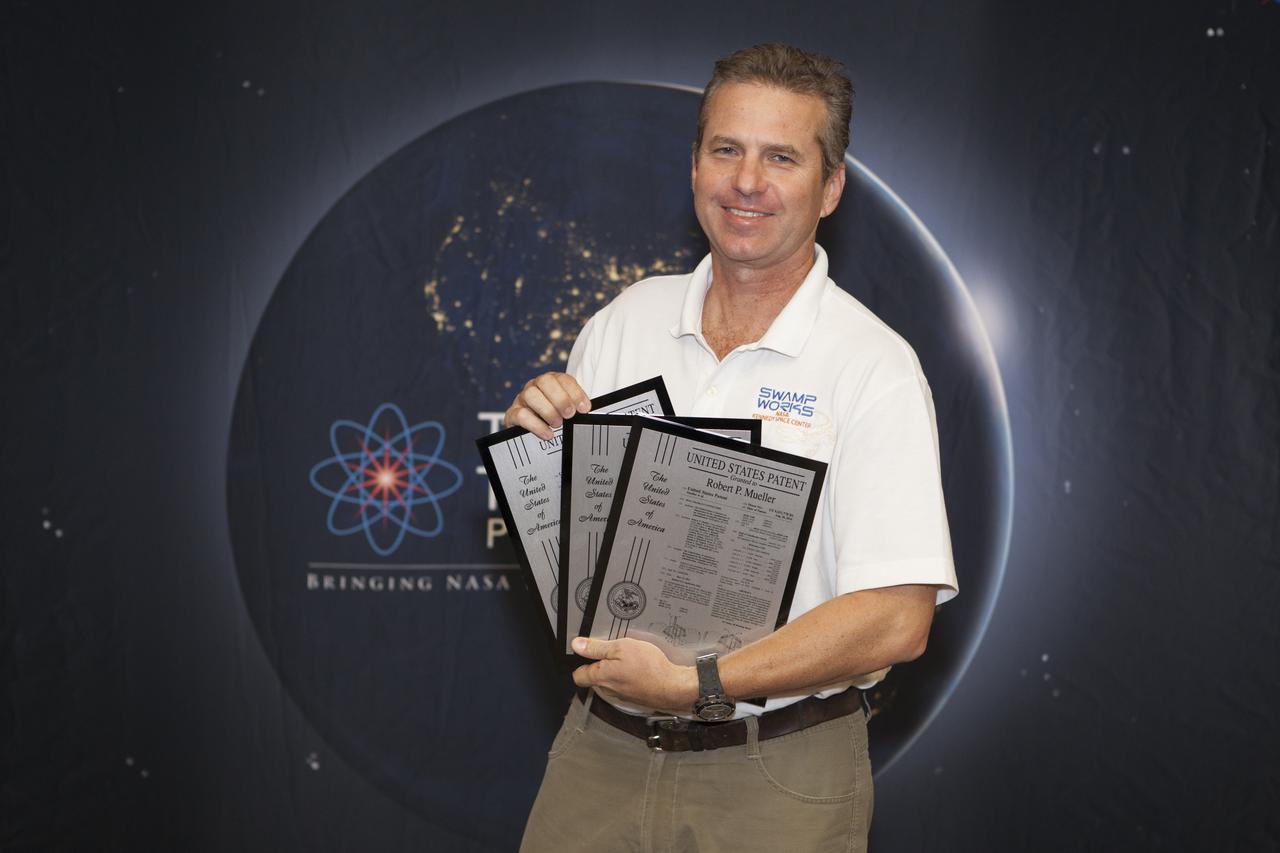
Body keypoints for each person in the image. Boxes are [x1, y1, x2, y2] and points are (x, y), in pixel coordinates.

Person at [507, 43, 958, 853]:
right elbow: (577, 557)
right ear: (694, 167)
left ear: (830, 188)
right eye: (727, 149)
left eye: (781, 157)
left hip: (776, 774)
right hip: (598, 754)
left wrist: (698, 685)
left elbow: (898, 618)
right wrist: (535, 451)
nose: (747, 181)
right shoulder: (622, 323)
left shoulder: (872, 366)